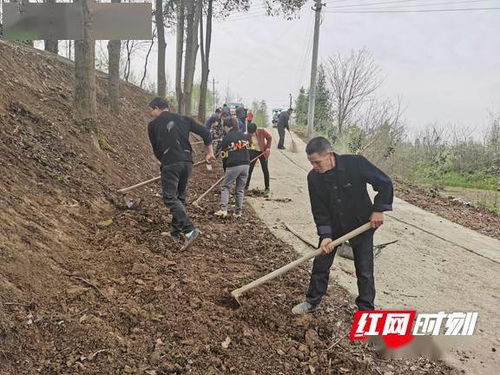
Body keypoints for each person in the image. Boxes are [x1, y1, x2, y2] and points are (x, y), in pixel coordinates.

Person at [292, 137, 393, 314]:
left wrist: (379, 209)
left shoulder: (355, 164)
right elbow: (319, 209)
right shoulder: (313, 178)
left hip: (361, 223)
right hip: (334, 226)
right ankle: (312, 301)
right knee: (321, 263)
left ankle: (366, 310)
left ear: (329, 154)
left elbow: (384, 183)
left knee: (364, 269)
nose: (315, 166)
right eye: (311, 163)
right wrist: (325, 235)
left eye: (317, 162)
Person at [148, 97, 216, 251]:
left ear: (157, 108)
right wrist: (209, 153)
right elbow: (205, 132)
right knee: (180, 197)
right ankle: (175, 232)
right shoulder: (183, 119)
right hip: (187, 162)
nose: (151, 114)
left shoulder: (153, 125)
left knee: (170, 197)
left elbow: (156, 149)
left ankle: (190, 230)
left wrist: (164, 161)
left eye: (151, 110)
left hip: (171, 162)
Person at [215, 118, 250, 218]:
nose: (224, 129)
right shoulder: (243, 136)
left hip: (233, 164)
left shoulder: (227, 138)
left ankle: (223, 210)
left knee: (225, 187)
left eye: (224, 127)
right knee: (240, 189)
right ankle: (238, 212)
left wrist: (225, 169)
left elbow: (224, 155)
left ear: (228, 126)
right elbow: (247, 150)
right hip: (246, 165)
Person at [245, 123, 272, 193]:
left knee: (265, 169)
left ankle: (267, 187)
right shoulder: (247, 135)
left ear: (255, 130)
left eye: (252, 133)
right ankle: (246, 186)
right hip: (253, 152)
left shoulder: (261, 131)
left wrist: (268, 148)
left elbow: (269, 138)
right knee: (249, 169)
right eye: (249, 133)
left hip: (262, 152)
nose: (251, 134)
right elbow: (246, 145)